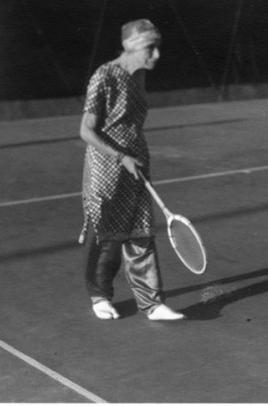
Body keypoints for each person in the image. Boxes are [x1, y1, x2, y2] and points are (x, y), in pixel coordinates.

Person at [79, 18, 185, 322]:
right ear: (133, 47)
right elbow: (86, 131)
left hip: (137, 162)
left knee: (141, 231)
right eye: (151, 48)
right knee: (109, 236)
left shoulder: (139, 77)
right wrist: (119, 156)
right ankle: (100, 295)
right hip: (106, 166)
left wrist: (133, 157)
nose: (157, 56)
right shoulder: (104, 76)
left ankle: (152, 303)